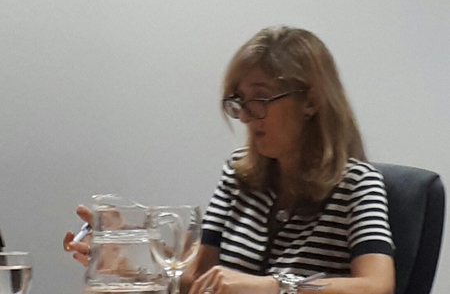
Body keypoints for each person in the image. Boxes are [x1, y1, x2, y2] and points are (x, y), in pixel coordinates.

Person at [64, 27, 395, 294]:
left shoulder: (357, 184)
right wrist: (122, 259)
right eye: (240, 101)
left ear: (310, 101)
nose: (246, 117)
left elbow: (377, 286)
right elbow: (196, 281)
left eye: (261, 99)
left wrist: (274, 287)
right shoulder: (239, 175)